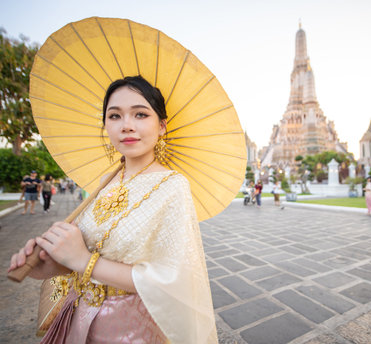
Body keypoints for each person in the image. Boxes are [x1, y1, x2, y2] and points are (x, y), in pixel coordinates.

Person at [9, 76, 218, 343]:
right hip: (79, 317)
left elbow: (170, 282)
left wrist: (83, 261)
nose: (127, 126)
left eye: (140, 114)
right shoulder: (104, 182)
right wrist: (51, 264)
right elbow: (85, 255)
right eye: (115, 116)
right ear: (106, 124)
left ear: (162, 126)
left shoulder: (172, 187)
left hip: (130, 326)